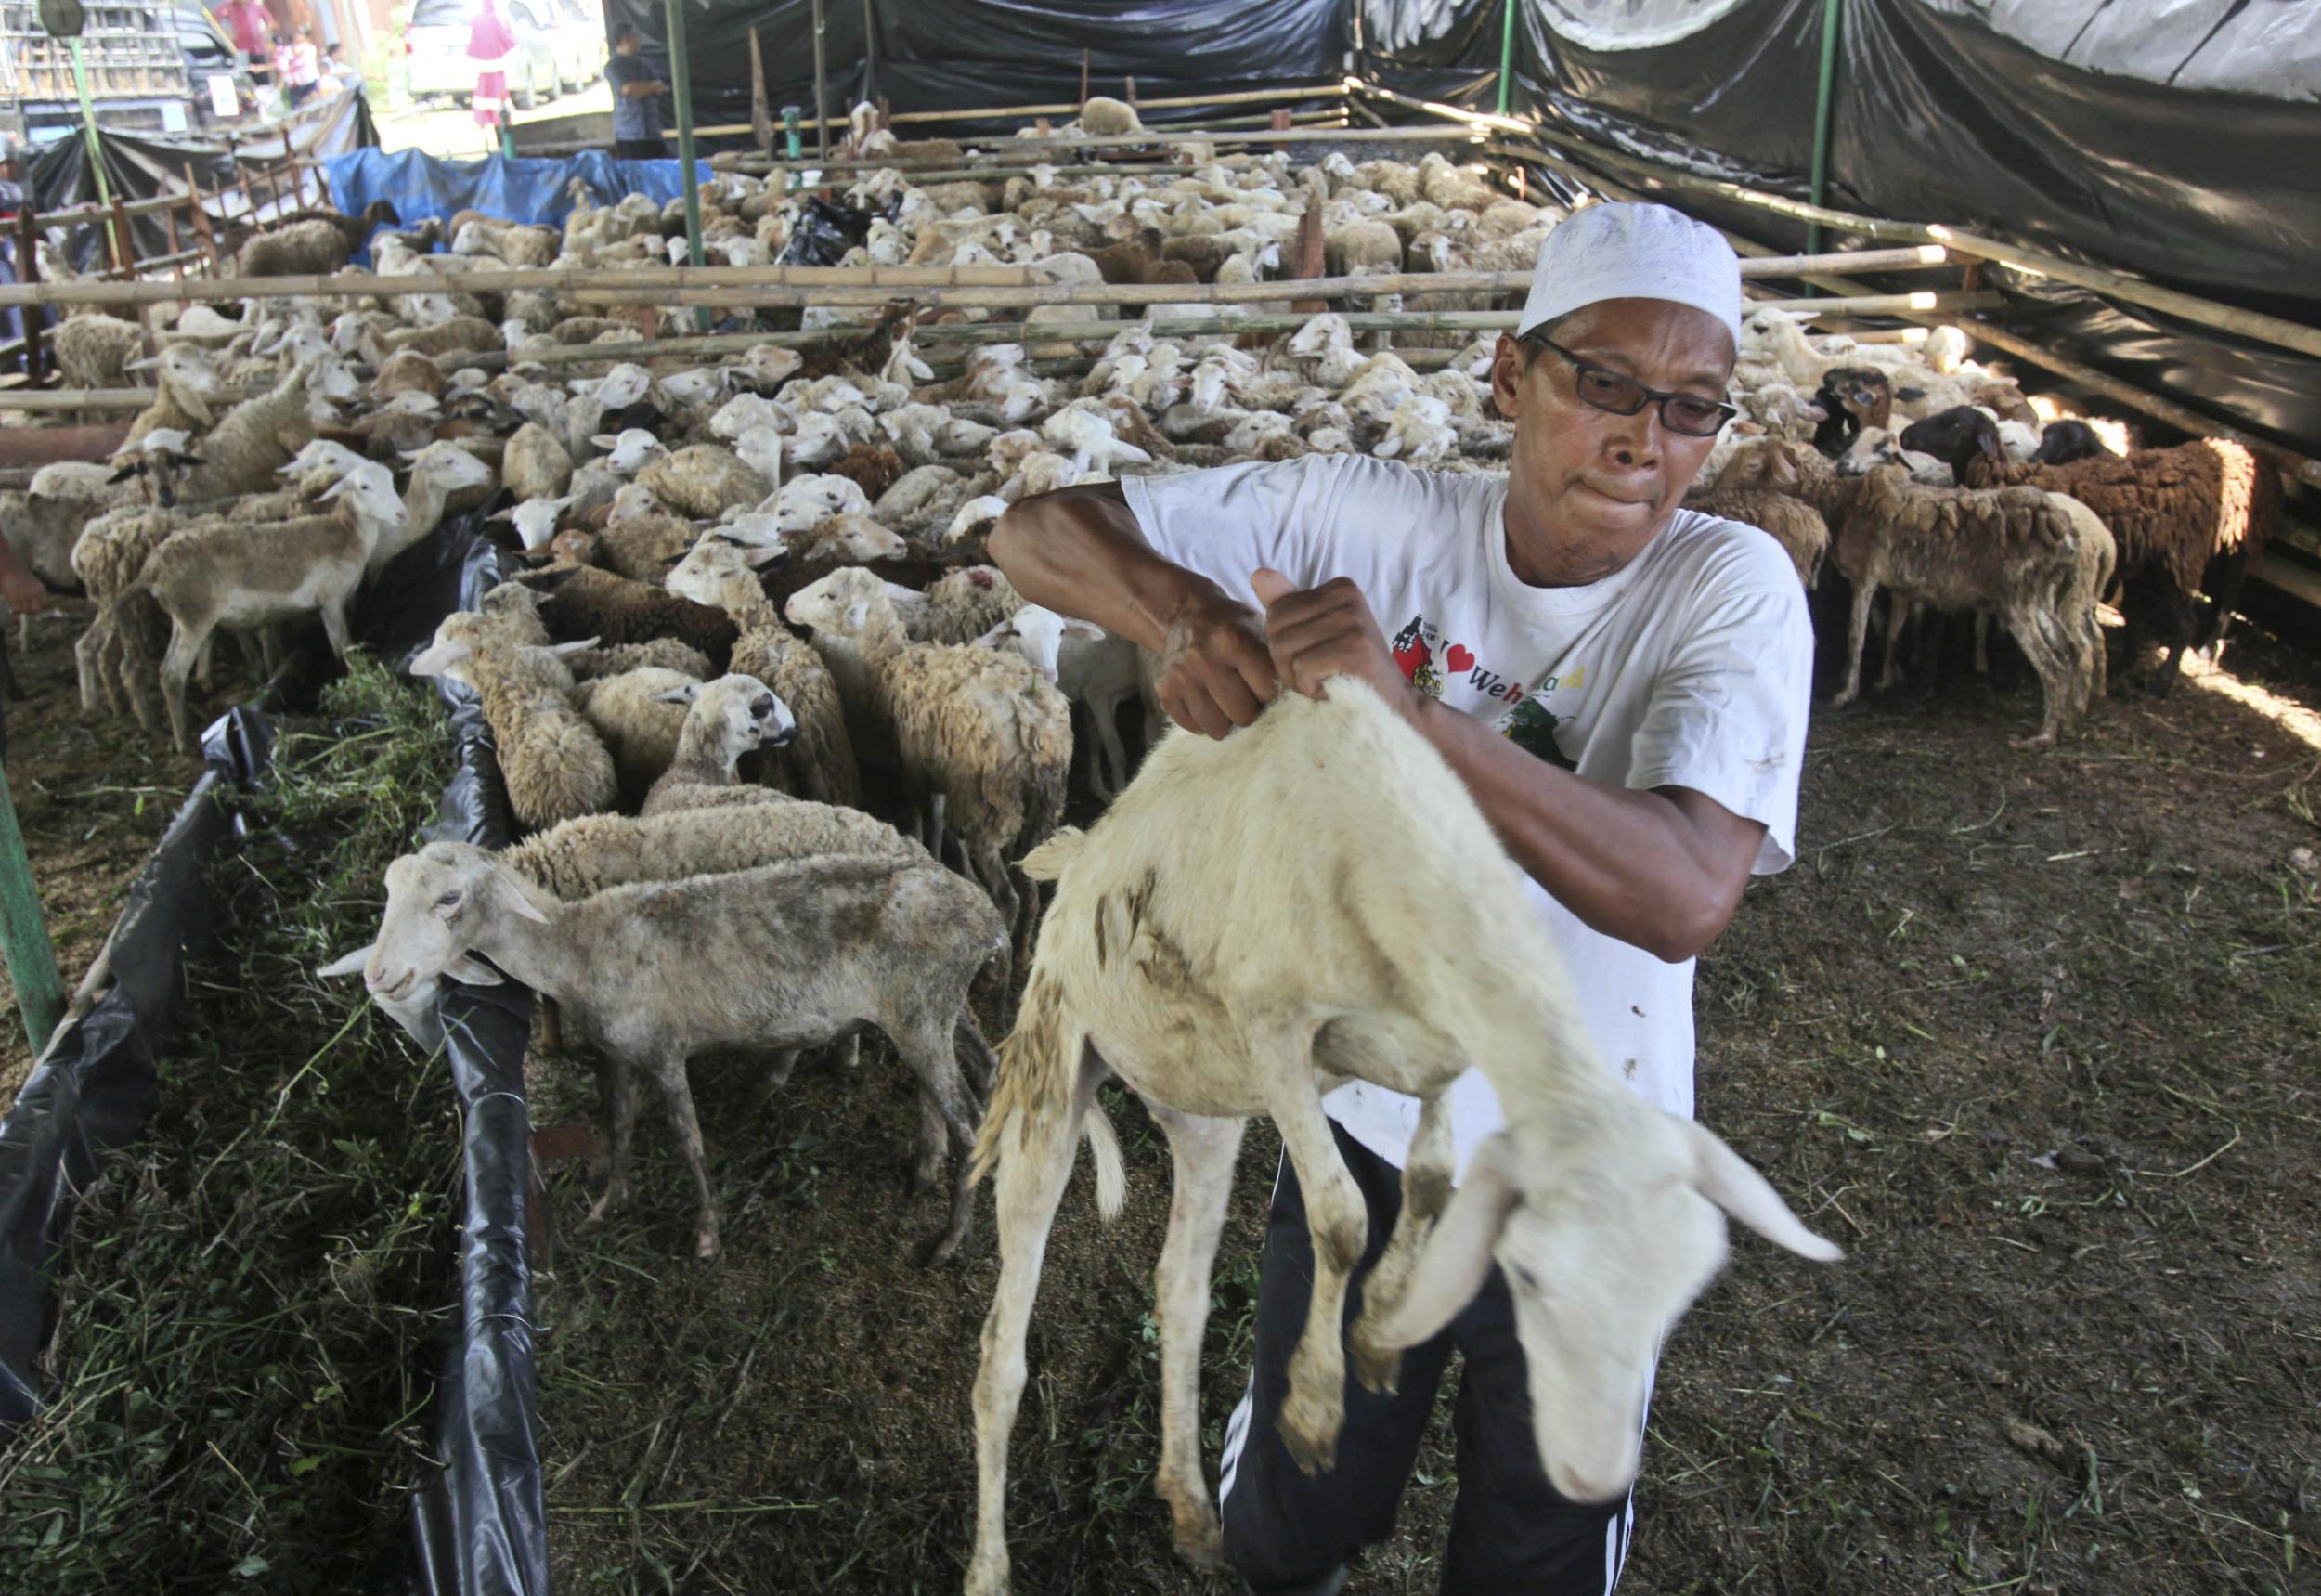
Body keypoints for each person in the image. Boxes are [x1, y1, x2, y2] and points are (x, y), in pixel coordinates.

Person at [989, 201, 1813, 1595]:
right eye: (1600, 383)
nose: (1639, 440)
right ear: (1510, 375)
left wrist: (1414, 721)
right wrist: (1175, 615)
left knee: (1539, 1546)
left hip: (1586, 1156)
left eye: (1688, 410)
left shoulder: (1728, 584)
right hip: (1371, 1126)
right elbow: (1033, 527)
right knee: (1292, 1516)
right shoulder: (1374, 517)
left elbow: (1683, 891)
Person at [604, 23, 669, 161]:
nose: (639, 39)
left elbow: (660, 87)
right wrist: (650, 87)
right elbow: (629, 90)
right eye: (635, 36)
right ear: (625, 40)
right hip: (629, 135)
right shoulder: (613, 66)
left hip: (653, 133)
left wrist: (646, 88)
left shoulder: (644, 64)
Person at [468, 0, 518, 151]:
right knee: (500, 105)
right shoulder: (493, 20)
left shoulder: (475, 21)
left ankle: (489, 144)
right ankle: (502, 140)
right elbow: (507, 40)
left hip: (482, 72)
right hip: (496, 70)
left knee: (485, 102)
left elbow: (471, 44)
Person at [282, 24, 321, 107]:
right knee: (301, 105)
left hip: (309, 79)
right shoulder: (288, 50)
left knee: (315, 98)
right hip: (296, 83)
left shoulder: (308, 48)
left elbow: (299, 52)